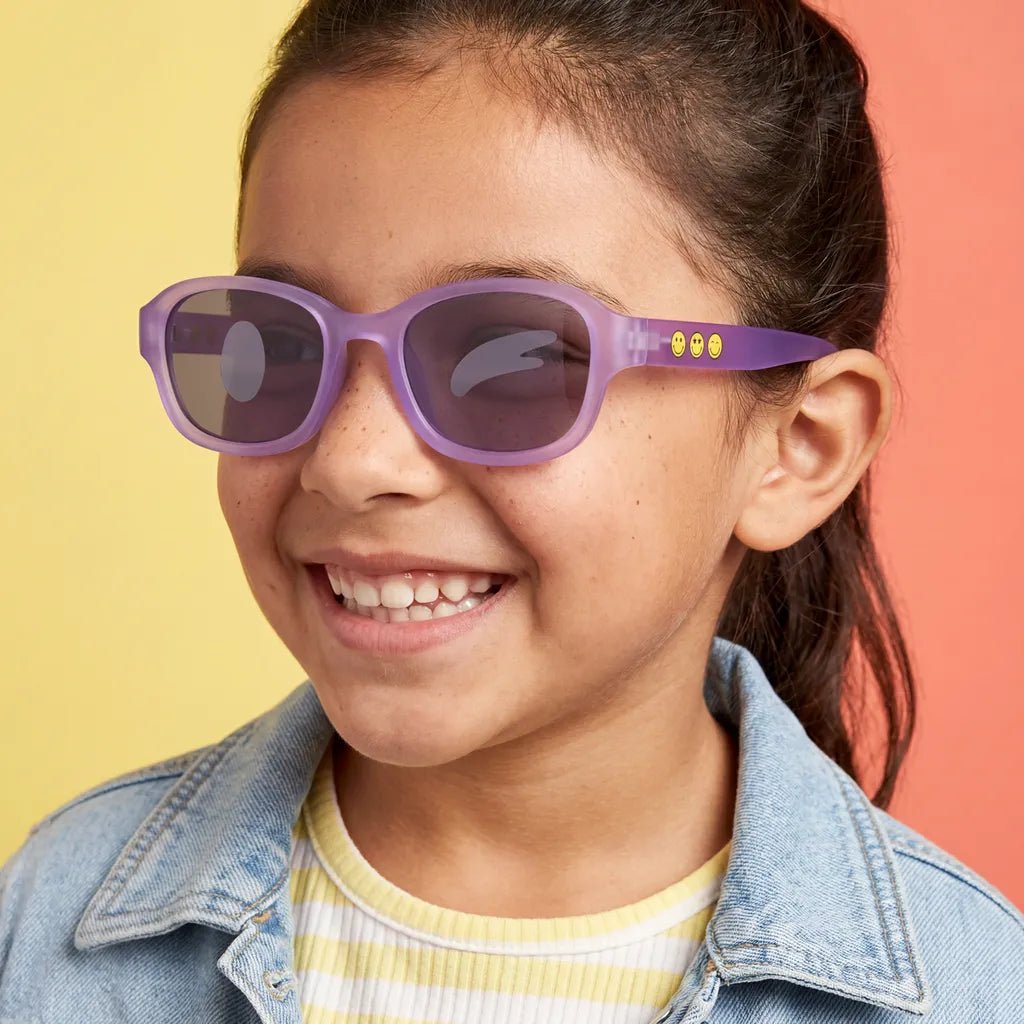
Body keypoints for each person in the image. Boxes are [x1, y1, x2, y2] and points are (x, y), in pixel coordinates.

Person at [3, 1, 1022, 1020]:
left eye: (514, 357)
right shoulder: (47, 924)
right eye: (279, 343)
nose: (351, 460)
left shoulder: (976, 988)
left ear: (799, 447)